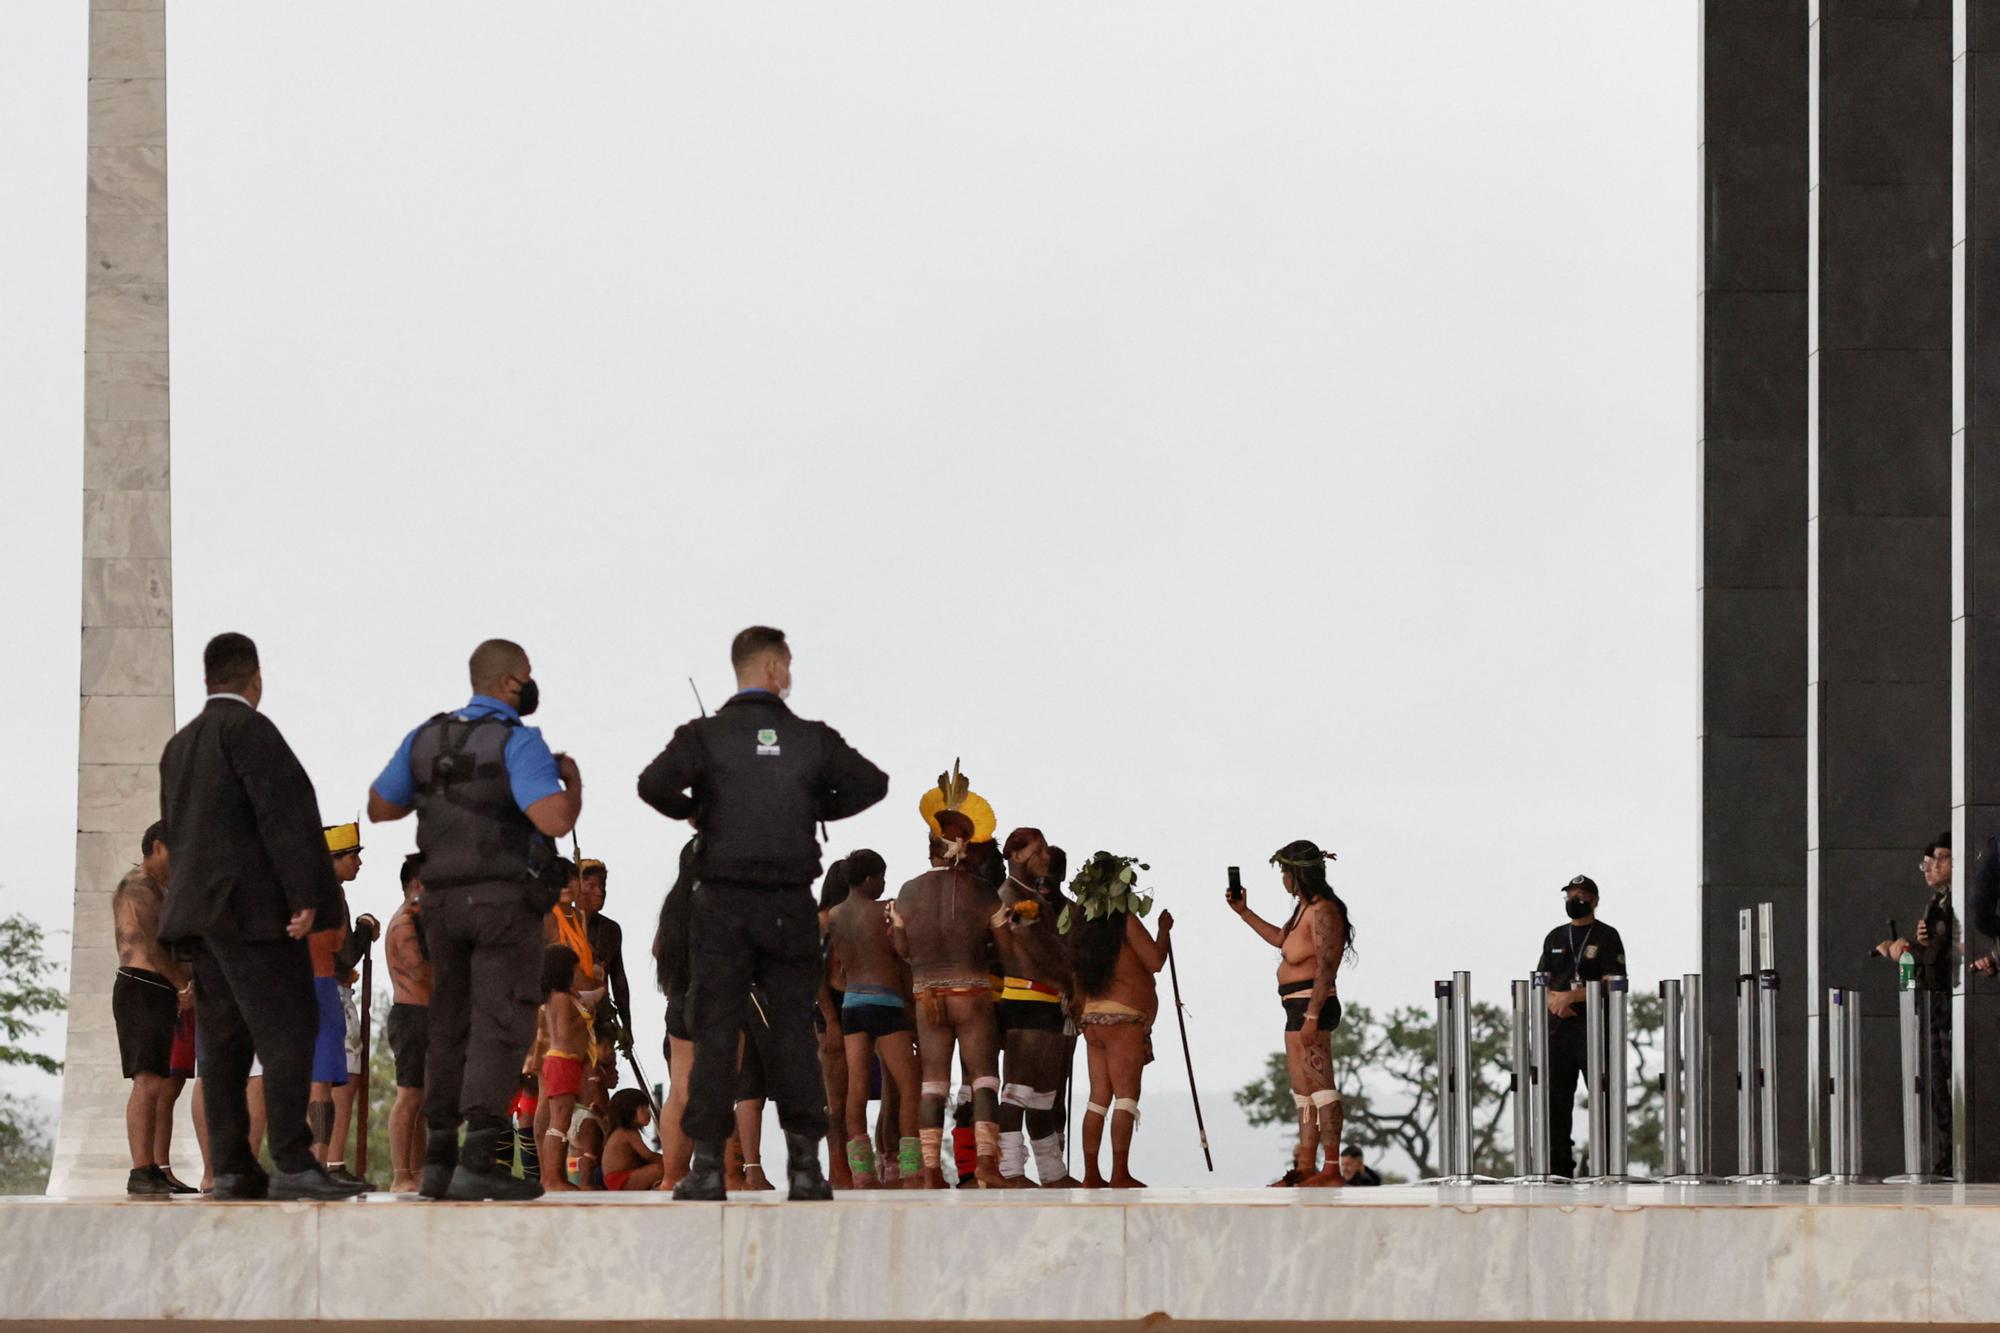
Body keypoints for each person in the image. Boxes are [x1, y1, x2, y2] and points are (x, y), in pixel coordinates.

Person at [636, 626, 889, 1202]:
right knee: (794, 1034)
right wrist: (811, 803)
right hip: (786, 902)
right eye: (789, 664)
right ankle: (804, 1166)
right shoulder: (806, 738)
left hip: (722, 901)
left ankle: (706, 1168)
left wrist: (698, 811)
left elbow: (653, 786)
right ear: (773, 667)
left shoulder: (705, 736)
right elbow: (872, 784)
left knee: (716, 1030)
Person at [368, 637, 582, 1200]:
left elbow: (380, 806)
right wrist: (573, 784)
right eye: (529, 675)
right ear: (511, 682)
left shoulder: (427, 738)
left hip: (440, 904)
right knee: (501, 1022)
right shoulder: (519, 742)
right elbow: (555, 820)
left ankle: (438, 1159)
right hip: (502, 904)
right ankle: (480, 1158)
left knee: (448, 1024)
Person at [156, 632, 366, 1200]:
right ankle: (295, 1161)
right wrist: (307, 897)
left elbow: (177, 833)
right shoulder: (250, 730)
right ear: (255, 680)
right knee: (289, 1026)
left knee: (222, 1040)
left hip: (199, 917)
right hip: (251, 914)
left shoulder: (179, 746)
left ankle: (231, 1167)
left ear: (206, 680)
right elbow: (286, 814)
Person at [892, 765, 1006, 1188]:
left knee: (932, 1085)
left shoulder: (907, 892)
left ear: (931, 848)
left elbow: (902, 950)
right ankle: (989, 1167)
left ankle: (928, 1172)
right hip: (972, 993)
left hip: (927, 996)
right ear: (964, 846)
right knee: (984, 1080)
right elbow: (1006, 951)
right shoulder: (982, 892)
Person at [1227, 839, 1354, 1187]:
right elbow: (1281, 940)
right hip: (1294, 1006)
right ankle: (1306, 1166)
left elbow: (1328, 966)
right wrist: (1244, 912)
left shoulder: (1324, 911)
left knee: (1322, 1086)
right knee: (1303, 1091)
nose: (1283, 878)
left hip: (1313, 1004)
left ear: (1299, 874)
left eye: (1285, 871)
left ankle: (1332, 1168)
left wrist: (1313, 1016)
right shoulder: (1302, 909)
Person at [1063, 852, 1170, 1190]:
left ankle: (1092, 1173)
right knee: (1125, 1097)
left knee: (1098, 1098)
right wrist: (1164, 930)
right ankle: (1119, 1172)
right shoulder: (1123, 921)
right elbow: (1154, 962)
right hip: (1124, 1021)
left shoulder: (1083, 926)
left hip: (1093, 1021)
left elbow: (1076, 978)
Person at [826, 848, 924, 1189]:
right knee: (909, 1084)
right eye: (881, 877)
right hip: (885, 1003)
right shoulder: (886, 910)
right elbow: (902, 951)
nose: (883, 884)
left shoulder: (832, 916)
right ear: (869, 879)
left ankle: (862, 1173)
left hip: (852, 1004)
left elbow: (829, 974)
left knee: (856, 1088)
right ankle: (911, 1168)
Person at [993, 827, 1081, 1188]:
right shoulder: (1012, 895)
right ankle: (1010, 1169)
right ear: (1016, 856)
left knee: (1044, 1094)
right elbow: (1029, 946)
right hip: (1029, 997)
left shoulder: (1032, 897)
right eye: (1039, 850)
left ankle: (1051, 1172)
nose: (1046, 857)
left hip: (1047, 999)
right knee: (1018, 1089)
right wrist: (1067, 981)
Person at [112, 821, 196, 1194]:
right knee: (146, 1080)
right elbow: (154, 945)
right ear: (159, 846)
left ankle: (151, 1167)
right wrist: (183, 984)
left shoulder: (161, 889)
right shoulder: (138, 886)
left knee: (158, 1080)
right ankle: (140, 1168)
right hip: (141, 987)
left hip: (158, 990)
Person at [1534, 874, 1627, 1179]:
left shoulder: (1607, 936)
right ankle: (1558, 1169)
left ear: (1594, 900)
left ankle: (1606, 1167)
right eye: (1570, 897)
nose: (1575, 901)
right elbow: (1541, 980)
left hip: (1594, 1031)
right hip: (1558, 1030)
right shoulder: (1555, 937)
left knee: (1603, 1100)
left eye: (1581, 897)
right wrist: (1554, 1001)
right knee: (1555, 1103)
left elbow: (1614, 983)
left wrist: (1572, 996)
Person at [1876, 832, 1955, 1176]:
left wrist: (1907, 950)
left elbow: (1947, 953)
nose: (1932, 866)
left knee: (1948, 1080)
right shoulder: (1938, 903)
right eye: (1929, 860)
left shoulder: (1959, 902)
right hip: (1938, 1002)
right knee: (1939, 1082)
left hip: (1952, 1003)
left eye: (1941, 858)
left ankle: (1954, 1154)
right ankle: (1948, 1153)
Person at [652, 833, 700, 1189]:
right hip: (714, 1000)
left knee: (679, 1091)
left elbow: (657, 949)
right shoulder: (719, 898)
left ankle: (672, 1175)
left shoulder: (675, 902)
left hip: (679, 999)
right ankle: (723, 1171)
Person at [384, 853, 432, 1193]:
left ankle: (417, 1171)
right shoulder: (405, 923)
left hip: (427, 1014)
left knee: (423, 1101)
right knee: (409, 1096)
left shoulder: (421, 920)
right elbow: (420, 970)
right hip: (411, 1014)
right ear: (416, 884)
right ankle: (401, 1172)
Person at [534, 944, 595, 1192]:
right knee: (559, 1121)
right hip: (563, 1060)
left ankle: (553, 1176)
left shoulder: (557, 996)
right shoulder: (560, 998)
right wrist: (585, 1014)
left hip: (563, 1061)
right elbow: (563, 1032)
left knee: (561, 1119)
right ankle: (551, 1178)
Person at [579, 860, 633, 1053]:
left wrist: (627, 1025)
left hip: (601, 1019)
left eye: (603, 886)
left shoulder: (611, 930)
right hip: (570, 1019)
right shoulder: (561, 928)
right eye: (592, 886)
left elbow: (619, 981)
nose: (600, 892)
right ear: (577, 888)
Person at [602, 1088, 664, 1191]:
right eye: (642, 1109)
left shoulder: (625, 1132)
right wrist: (669, 1162)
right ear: (627, 1111)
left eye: (647, 1107)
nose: (648, 1112)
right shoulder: (627, 1132)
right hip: (619, 1180)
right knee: (660, 1169)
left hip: (625, 1177)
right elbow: (649, 1156)